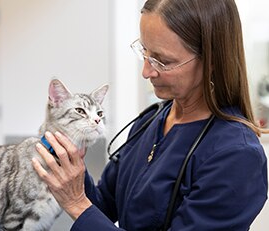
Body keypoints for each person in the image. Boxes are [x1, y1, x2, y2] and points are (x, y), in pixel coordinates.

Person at [32, 0, 268, 230]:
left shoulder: (237, 156)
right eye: (145, 51)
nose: (146, 71)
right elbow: (102, 205)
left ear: (212, 60)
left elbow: (86, 210)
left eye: (162, 61)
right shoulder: (150, 121)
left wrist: (77, 204)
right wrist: (72, 170)